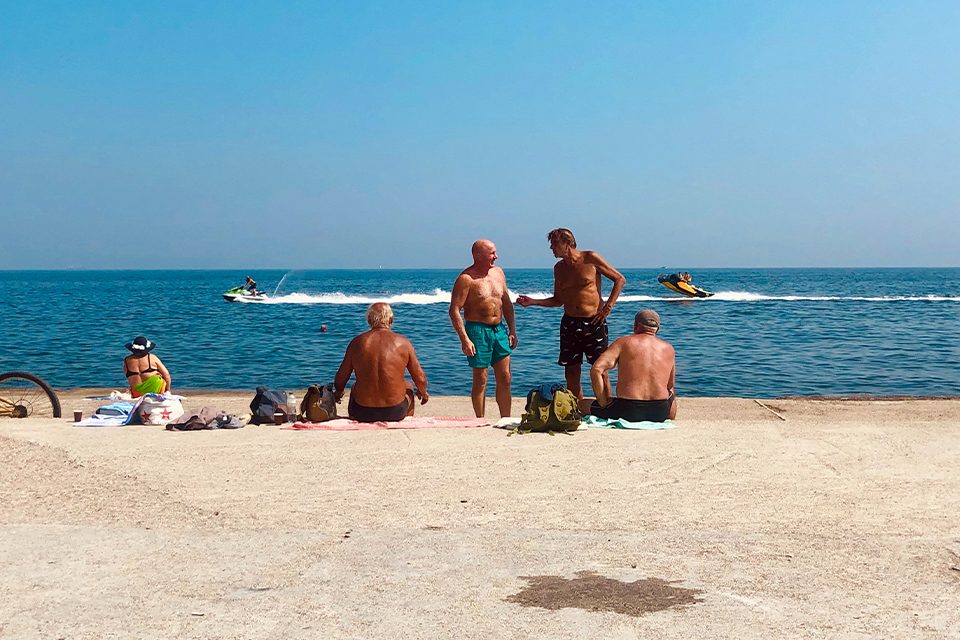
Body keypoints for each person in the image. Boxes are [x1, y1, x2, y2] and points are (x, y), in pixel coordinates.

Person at [516, 228, 626, 400]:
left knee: (600, 368)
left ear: (567, 243)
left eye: (554, 243)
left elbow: (619, 279)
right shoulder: (559, 268)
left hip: (594, 321)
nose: (551, 248)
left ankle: (606, 408)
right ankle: (575, 409)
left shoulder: (590, 258)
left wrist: (607, 308)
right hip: (570, 323)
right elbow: (558, 300)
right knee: (571, 370)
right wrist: (533, 302)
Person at [449, 239, 517, 418]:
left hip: (499, 330)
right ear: (478, 255)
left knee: (505, 377)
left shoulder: (499, 273)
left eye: (495, 252)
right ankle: (480, 419)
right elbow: (454, 310)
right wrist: (464, 339)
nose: (496, 256)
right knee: (481, 379)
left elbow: (507, 303)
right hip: (477, 331)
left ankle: (506, 418)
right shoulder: (466, 279)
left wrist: (512, 330)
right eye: (492, 253)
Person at [334, 303, 429, 422]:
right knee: (408, 386)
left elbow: (341, 378)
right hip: (395, 412)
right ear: (391, 319)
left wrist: (338, 392)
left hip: (362, 412)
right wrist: (423, 392)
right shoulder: (403, 343)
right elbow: (420, 378)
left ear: (369, 320)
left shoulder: (357, 343)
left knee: (354, 387)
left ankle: (355, 416)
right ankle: (405, 422)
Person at [587, 309, 676, 422]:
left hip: (629, 411)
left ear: (635, 325)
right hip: (659, 412)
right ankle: (671, 414)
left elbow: (596, 369)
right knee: (670, 389)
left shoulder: (623, 342)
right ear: (657, 329)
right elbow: (670, 384)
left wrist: (603, 402)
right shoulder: (668, 348)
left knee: (582, 404)